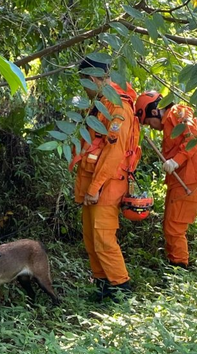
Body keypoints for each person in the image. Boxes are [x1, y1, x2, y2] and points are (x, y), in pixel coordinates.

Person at [70, 57, 139, 301]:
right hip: (94, 183)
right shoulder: (103, 103)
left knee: (104, 239)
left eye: (83, 84)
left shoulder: (118, 108)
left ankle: (121, 290)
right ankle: (102, 287)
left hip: (107, 185)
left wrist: (96, 187)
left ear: (91, 79)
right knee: (91, 238)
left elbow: (114, 154)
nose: (83, 90)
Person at [134, 91, 197, 269]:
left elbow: (195, 137)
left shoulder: (178, 112)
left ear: (154, 112)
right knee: (170, 225)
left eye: (148, 122)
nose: (151, 127)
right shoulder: (168, 122)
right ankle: (175, 266)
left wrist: (177, 160)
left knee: (174, 227)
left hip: (191, 178)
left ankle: (179, 269)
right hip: (180, 180)